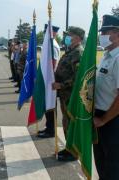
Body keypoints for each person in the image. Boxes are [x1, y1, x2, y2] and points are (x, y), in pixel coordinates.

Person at [52, 26, 85, 161]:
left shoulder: (78, 53)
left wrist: (61, 84)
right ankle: (69, 147)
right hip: (65, 95)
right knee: (66, 122)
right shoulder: (70, 51)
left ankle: (74, 152)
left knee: (71, 123)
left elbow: (79, 77)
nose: (66, 37)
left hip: (72, 96)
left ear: (77, 37)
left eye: (69, 35)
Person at [93, 15, 119, 180]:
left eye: (105, 31)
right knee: (101, 164)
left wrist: (104, 120)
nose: (101, 35)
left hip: (113, 120)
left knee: (113, 167)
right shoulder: (106, 56)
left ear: (117, 33)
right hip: (100, 117)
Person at [38, 24, 61, 138]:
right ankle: (48, 127)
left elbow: (53, 63)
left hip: (51, 80)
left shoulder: (53, 45)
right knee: (47, 105)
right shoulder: (48, 44)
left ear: (54, 33)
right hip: (46, 79)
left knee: (51, 105)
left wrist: (47, 77)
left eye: (47, 32)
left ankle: (51, 130)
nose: (45, 34)